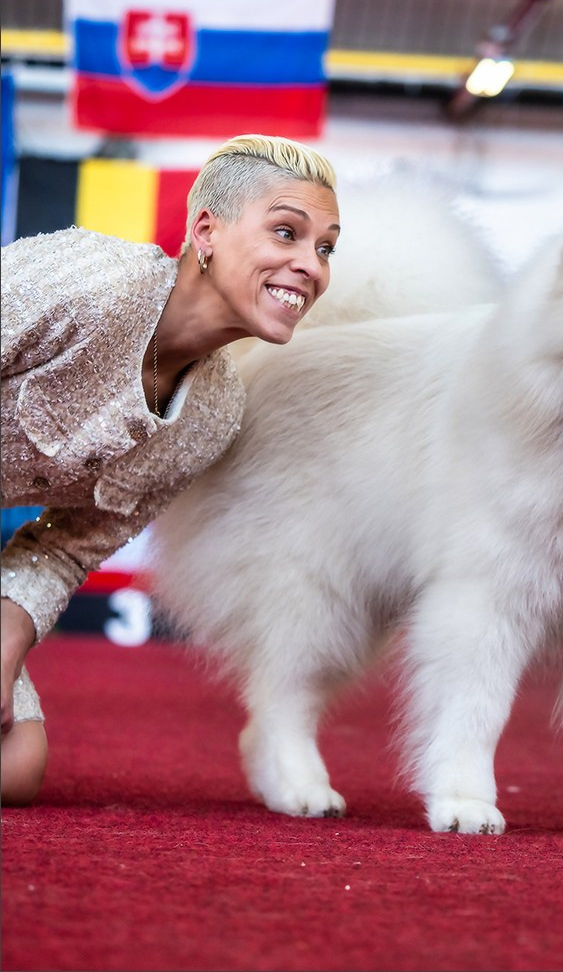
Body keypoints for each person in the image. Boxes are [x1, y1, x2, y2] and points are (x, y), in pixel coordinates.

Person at [1, 134, 341, 805]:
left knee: (16, 765)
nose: (311, 266)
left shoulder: (212, 413)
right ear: (206, 231)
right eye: (286, 233)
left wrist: (6, 639)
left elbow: (66, 548)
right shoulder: (93, 281)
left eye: (325, 248)